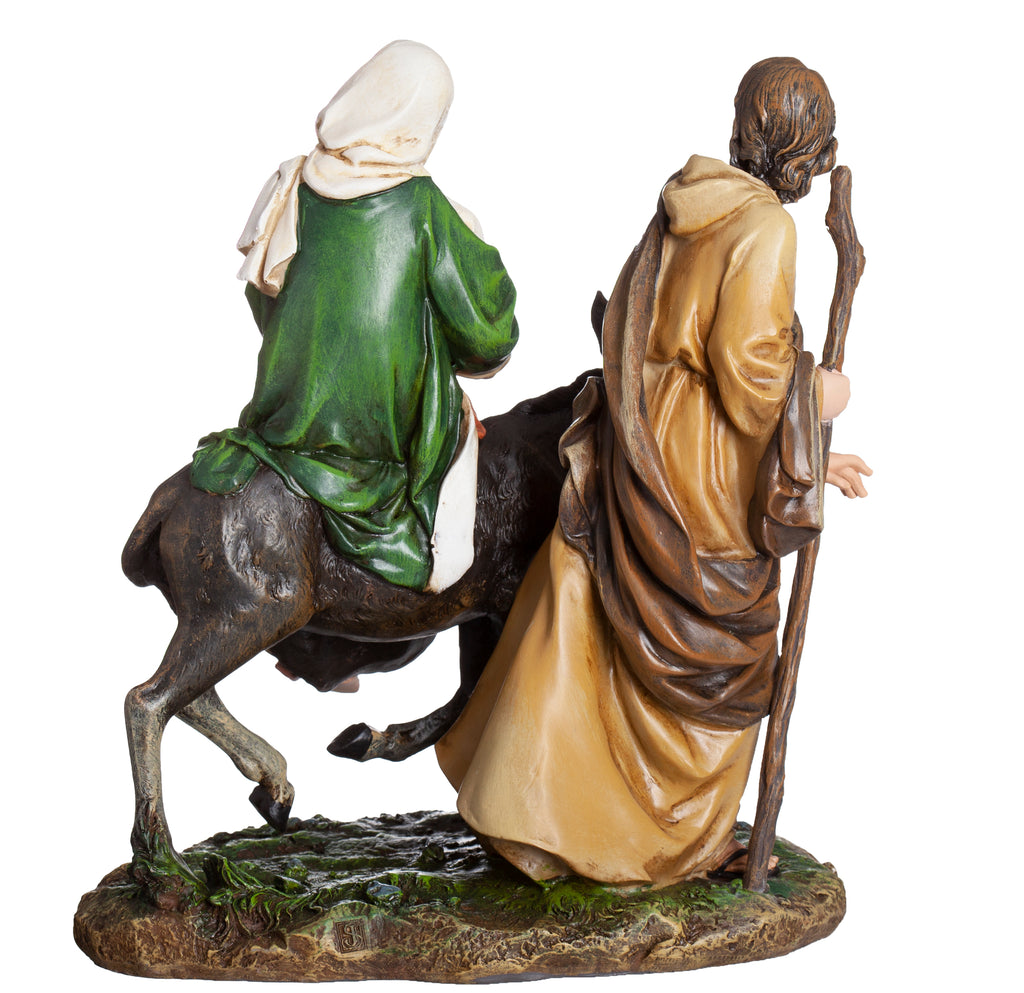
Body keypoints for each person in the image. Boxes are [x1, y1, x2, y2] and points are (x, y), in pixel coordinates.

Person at [436, 58, 870, 887]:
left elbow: (650, 327)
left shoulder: (686, 200)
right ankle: (667, 840)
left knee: (590, 603)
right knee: (724, 652)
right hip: (701, 468)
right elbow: (751, 375)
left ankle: (537, 809)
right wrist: (824, 394)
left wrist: (814, 457)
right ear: (804, 147)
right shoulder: (764, 228)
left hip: (642, 438)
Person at [191, 41, 519, 593]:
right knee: (461, 465)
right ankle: (440, 572)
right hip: (380, 449)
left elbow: (263, 300)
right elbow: (489, 341)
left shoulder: (290, 184)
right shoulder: (427, 210)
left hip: (282, 419)